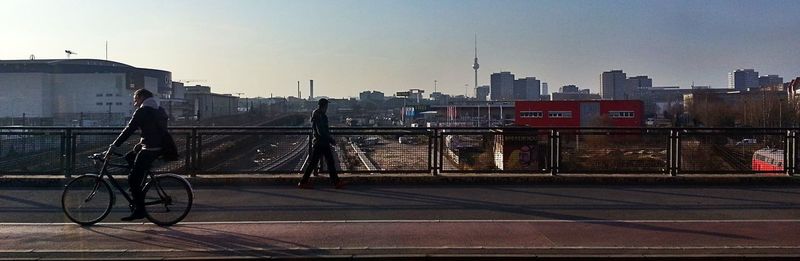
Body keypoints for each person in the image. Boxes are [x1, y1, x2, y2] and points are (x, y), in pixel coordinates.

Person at [109, 89, 169, 221]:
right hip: (158, 146)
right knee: (129, 157)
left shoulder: (142, 111)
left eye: (135, 97)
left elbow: (129, 130)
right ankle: (138, 186)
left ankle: (139, 210)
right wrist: (141, 143)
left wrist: (113, 146)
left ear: (142, 97)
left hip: (151, 149)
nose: (134, 100)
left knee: (132, 179)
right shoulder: (159, 109)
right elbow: (153, 130)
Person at [298, 98, 346, 189]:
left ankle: (304, 182)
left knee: (316, 163)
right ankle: (336, 182)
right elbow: (322, 131)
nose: (327, 108)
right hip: (322, 142)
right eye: (327, 106)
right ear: (324, 106)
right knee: (328, 162)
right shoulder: (320, 116)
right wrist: (331, 140)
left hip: (320, 142)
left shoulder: (315, 114)